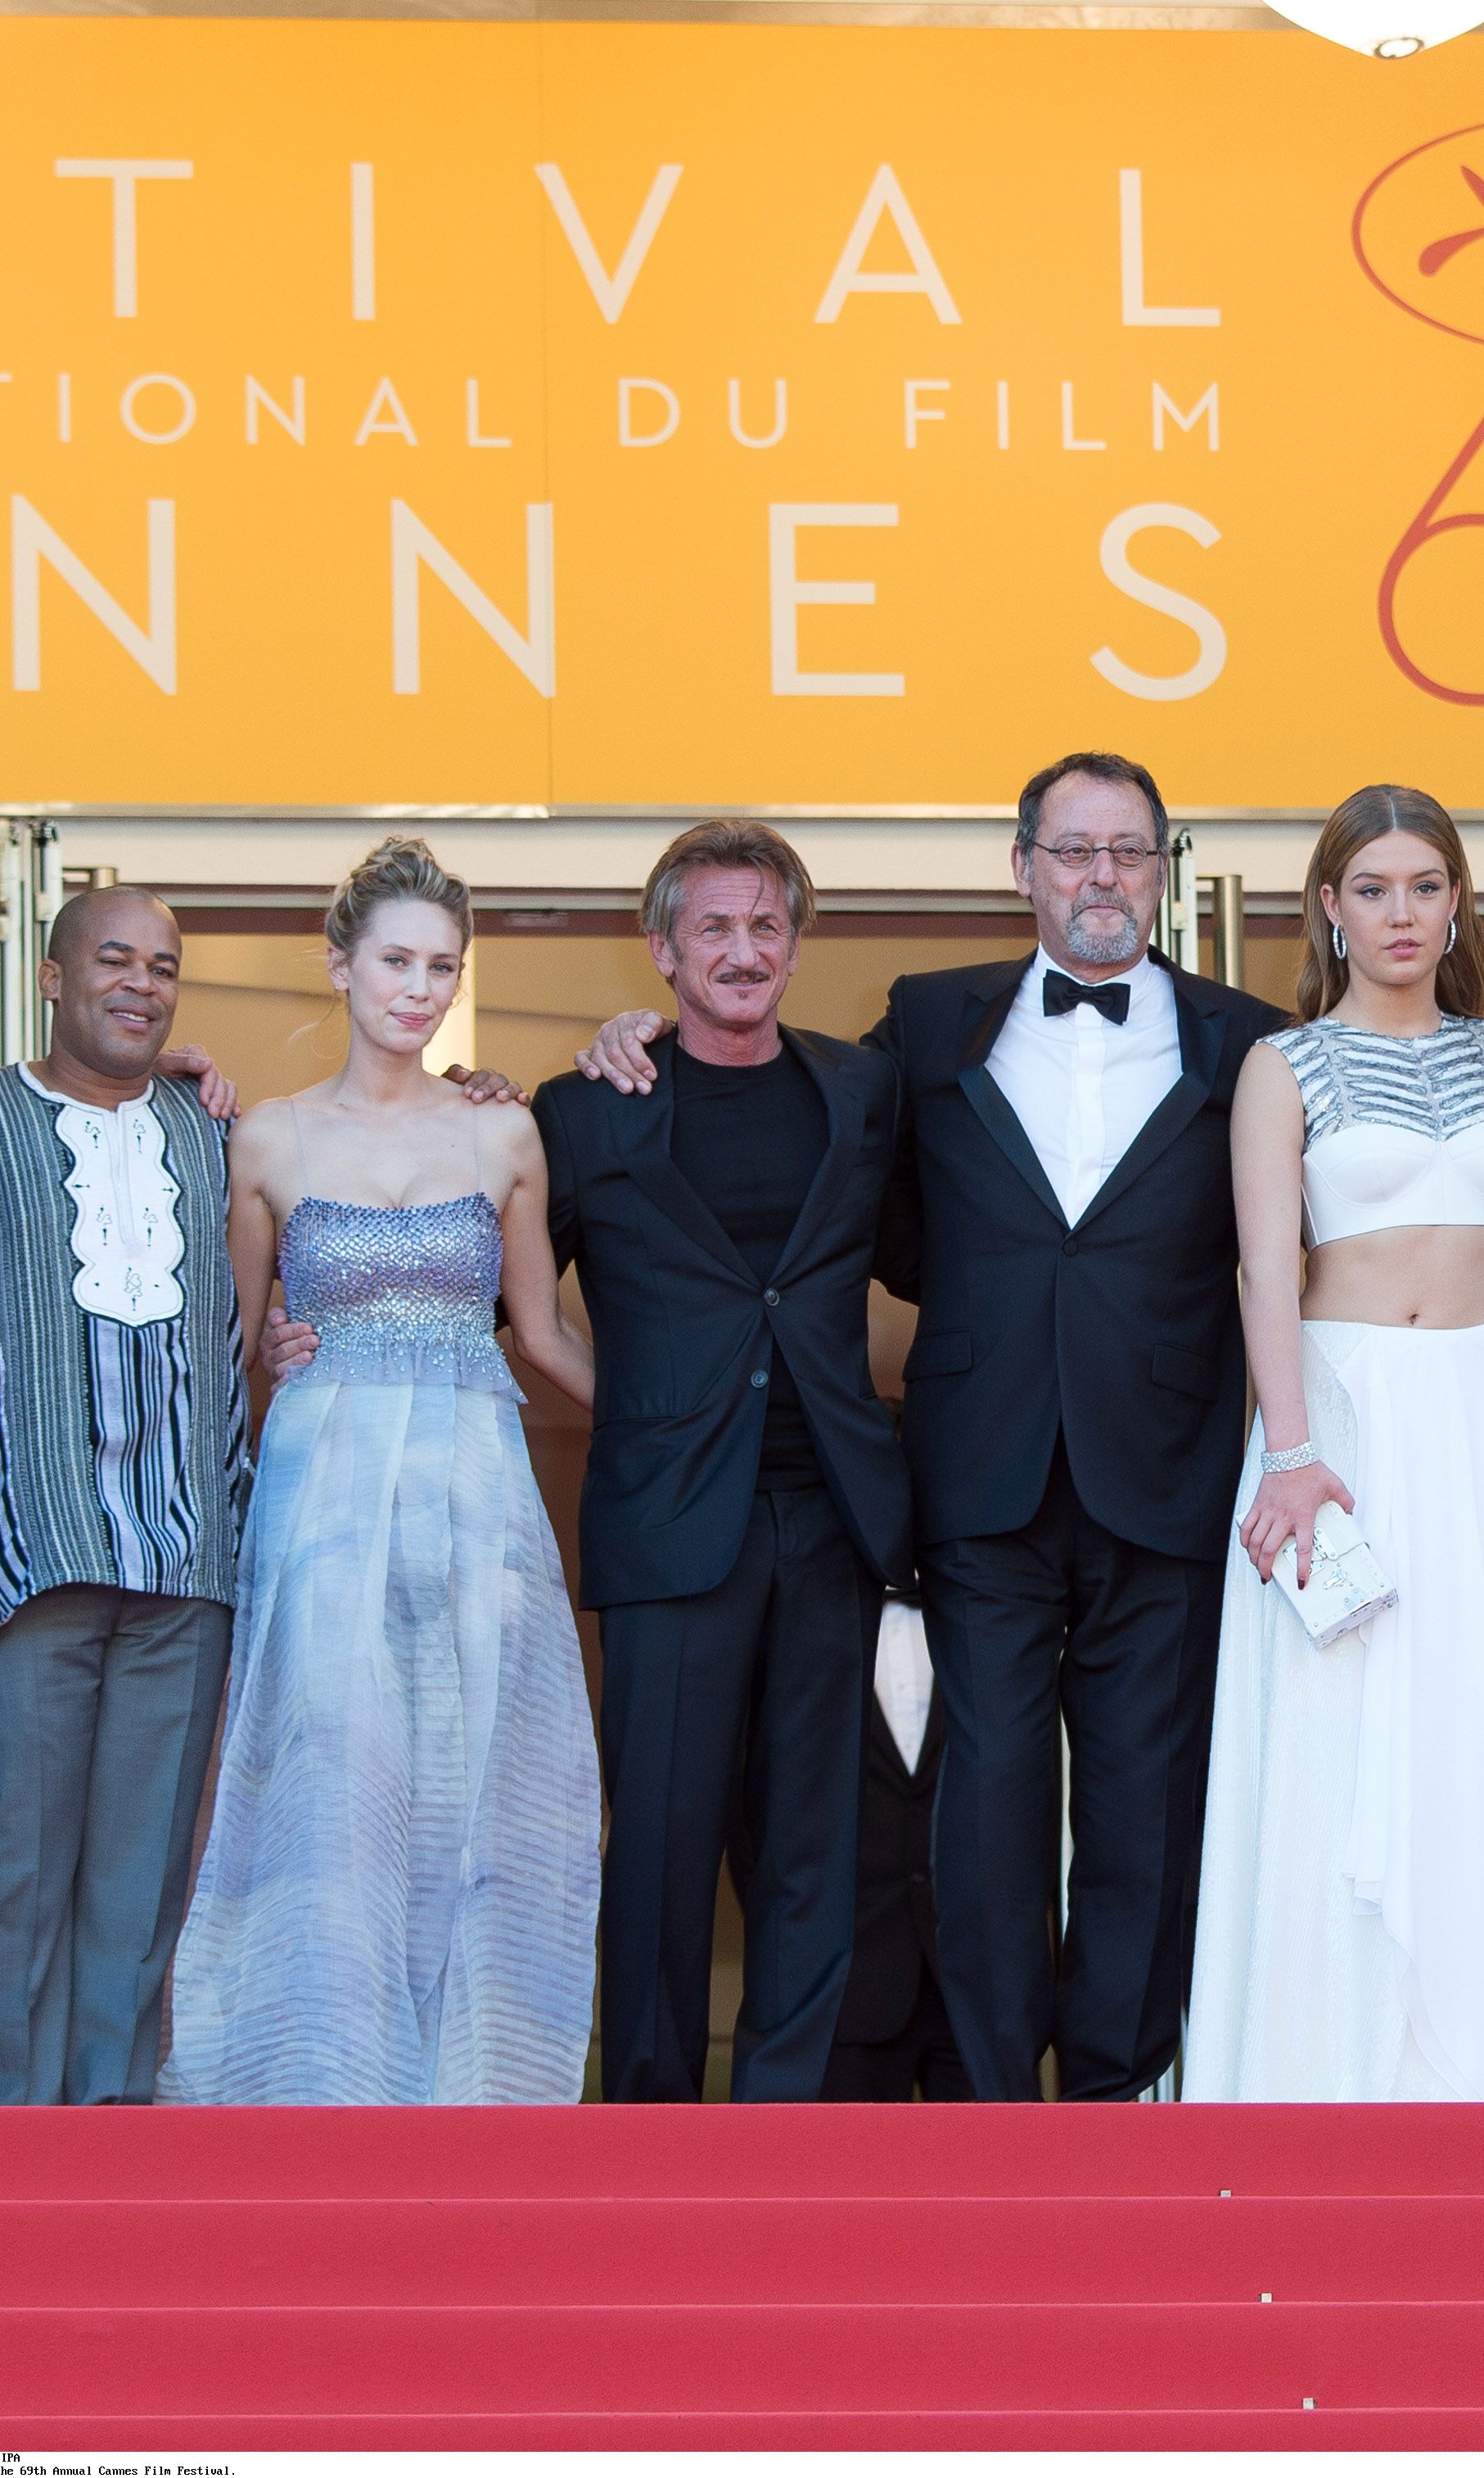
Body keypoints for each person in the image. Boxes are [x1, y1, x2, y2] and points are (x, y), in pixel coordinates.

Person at [580, 754, 1301, 2103]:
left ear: (1165, 869)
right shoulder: (925, 1024)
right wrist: (624, 1034)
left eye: (1130, 852)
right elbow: (866, 1214)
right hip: (979, 1477)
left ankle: (1112, 2090)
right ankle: (988, 2094)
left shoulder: (1250, 1036)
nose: (1102, 876)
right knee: (985, 1810)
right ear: (1021, 865)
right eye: (1074, 849)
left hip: (1167, 1473)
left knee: (1145, 1806)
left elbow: (1328, 1219)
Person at [165, 837, 602, 2106]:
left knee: (475, 1790)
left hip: (477, 1498)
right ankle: (321, 2087)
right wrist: (275, 1344)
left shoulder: (504, 1131)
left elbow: (544, 1332)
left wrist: (686, 1423)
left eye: (443, 967)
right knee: (331, 1783)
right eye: (398, 960)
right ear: (340, 965)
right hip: (323, 1504)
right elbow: (230, 1348)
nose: (419, 988)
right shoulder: (270, 1141)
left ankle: (470, 2094)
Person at [1184, 786, 1484, 2102]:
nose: (1401, 911)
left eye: (1425, 884)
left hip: (1475, 1421)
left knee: (1477, 1718)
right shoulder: (1283, 1063)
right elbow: (1261, 1268)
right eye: (1373, 887)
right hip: (1334, 1419)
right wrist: (1292, 1449)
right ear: (1330, 908)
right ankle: (1319, 2069)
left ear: (1457, 900)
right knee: (1332, 1730)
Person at [526, 819, 911, 2104]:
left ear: (797, 943)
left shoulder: (863, 1090)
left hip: (832, 1514)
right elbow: (505, 1303)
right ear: (663, 949)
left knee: (814, 1847)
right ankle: (645, 2135)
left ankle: (780, 2138)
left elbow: (937, 1251)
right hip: (668, 1520)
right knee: (662, 1850)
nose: (743, 952)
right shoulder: (582, 1109)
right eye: (715, 928)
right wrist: (638, 1408)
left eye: (766, 927)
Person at [0, 886, 250, 2106]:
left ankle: (110, 2159)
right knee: (18, 1873)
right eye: (113, 958)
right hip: (23, 1553)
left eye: (163, 965)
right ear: (51, 978)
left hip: (187, 1562)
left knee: (144, 1882)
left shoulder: (222, 1134)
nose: (141, 984)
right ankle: (0, 2173)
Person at [828, 1594, 969, 2101]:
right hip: (850, 1992)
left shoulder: (982, 1618)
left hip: (967, 1995)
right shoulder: (811, 1621)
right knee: (847, 2180)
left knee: (979, 2178)